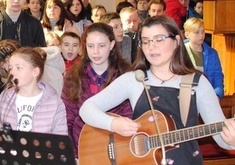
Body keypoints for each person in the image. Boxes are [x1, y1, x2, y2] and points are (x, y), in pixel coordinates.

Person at [79, 16, 235, 164]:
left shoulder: (198, 83)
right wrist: (113, 124)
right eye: (145, 41)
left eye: (159, 39)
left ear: (176, 41)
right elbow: (87, 109)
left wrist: (231, 140)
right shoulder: (135, 79)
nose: (151, 47)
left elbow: (222, 138)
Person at [61, 23, 131, 157]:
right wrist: (71, 153)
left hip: (116, 145)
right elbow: (68, 116)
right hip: (81, 144)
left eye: (101, 45)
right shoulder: (73, 76)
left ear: (111, 45)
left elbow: (129, 114)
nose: (95, 51)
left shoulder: (125, 75)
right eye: (90, 46)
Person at [0, 47, 67, 135]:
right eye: (11, 68)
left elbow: (60, 140)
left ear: (35, 72)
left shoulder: (54, 102)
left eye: (18, 68)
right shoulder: (4, 98)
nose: (12, 73)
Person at [184, 17, 223, 98]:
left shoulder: (212, 53)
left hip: (207, 96)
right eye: (197, 32)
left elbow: (217, 77)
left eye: (203, 32)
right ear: (187, 35)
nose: (201, 35)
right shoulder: (180, 52)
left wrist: (217, 95)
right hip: (185, 96)